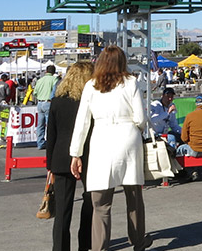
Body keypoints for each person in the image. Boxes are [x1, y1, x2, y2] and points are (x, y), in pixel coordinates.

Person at [69, 46, 150, 251]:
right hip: (128, 137)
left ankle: (100, 247)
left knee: (101, 203)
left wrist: (76, 153)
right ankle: (138, 242)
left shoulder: (91, 85)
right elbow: (140, 117)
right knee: (134, 196)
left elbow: (82, 122)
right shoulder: (130, 82)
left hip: (102, 138)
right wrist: (137, 129)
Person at [46, 61, 95, 251]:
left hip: (60, 157)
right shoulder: (89, 101)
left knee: (62, 210)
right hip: (87, 156)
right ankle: (85, 244)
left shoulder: (57, 101)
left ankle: (60, 247)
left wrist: (50, 165)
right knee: (90, 203)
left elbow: (51, 135)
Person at [34, 66, 60, 149]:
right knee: (50, 125)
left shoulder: (40, 80)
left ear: (46, 71)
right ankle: (50, 143)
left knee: (40, 125)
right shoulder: (54, 79)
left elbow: (35, 92)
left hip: (40, 102)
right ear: (54, 72)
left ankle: (40, 143)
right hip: (48, 102)